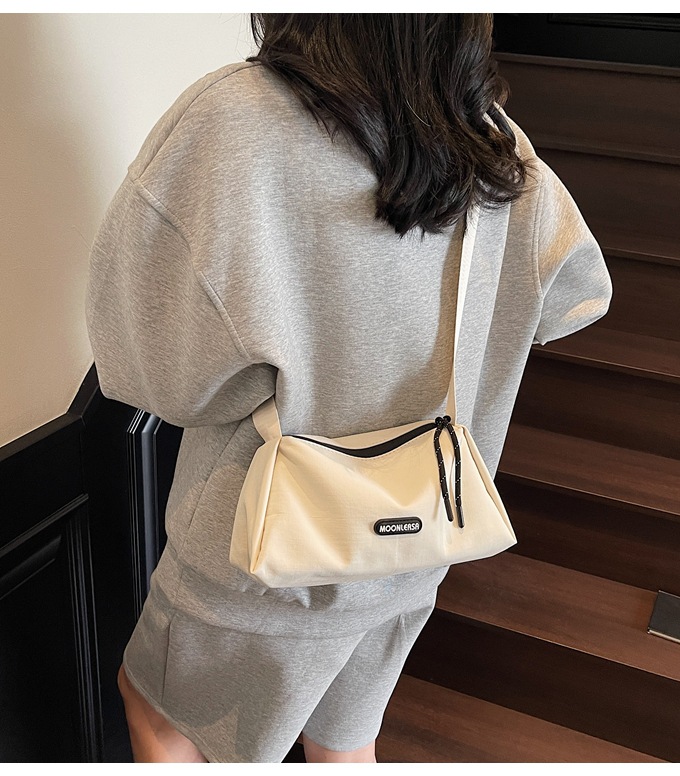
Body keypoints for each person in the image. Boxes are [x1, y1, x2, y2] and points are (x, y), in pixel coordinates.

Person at [85, 13, 612, 764]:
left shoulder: (236, 117)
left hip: (257, 561)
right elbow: (576, 298)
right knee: (344, 746)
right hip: (417, 540)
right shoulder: (490, 137)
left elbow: (156, 378)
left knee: (161, 719)